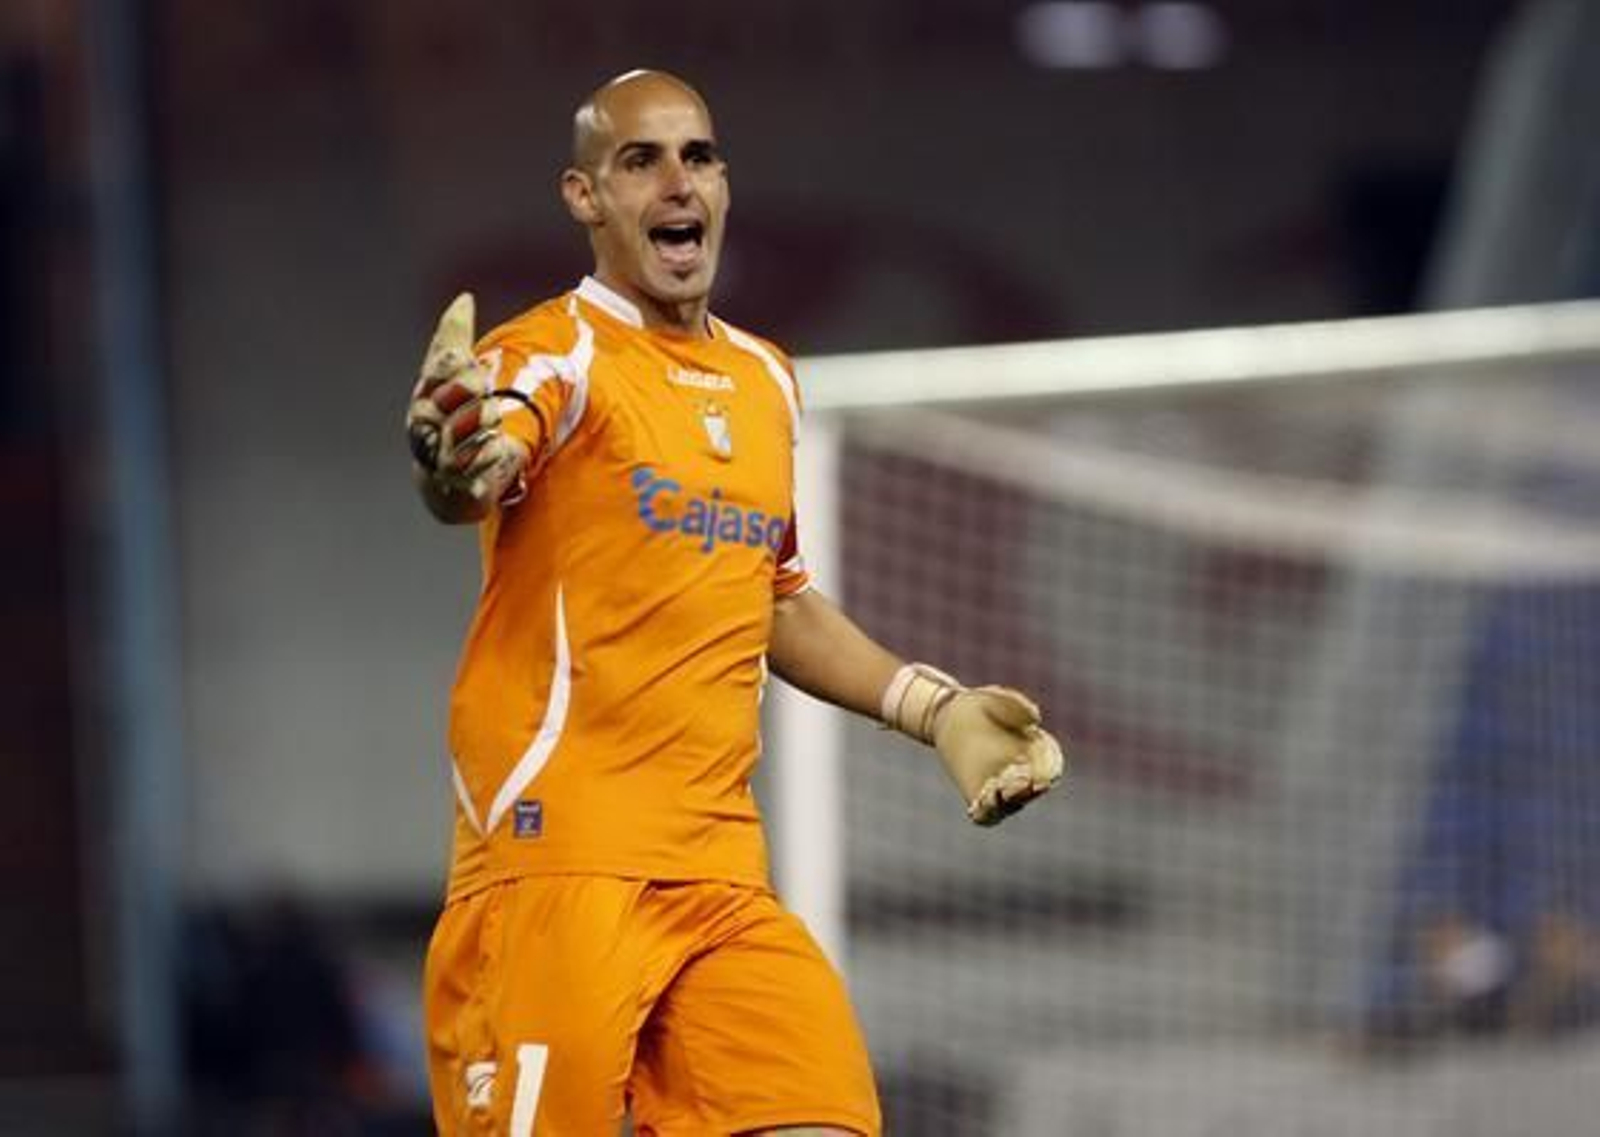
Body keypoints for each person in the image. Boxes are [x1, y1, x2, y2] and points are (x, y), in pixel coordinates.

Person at [403, 69, 1065, 1136]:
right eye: (641, 161)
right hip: (560, 866)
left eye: (698, 157)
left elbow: (778, 599)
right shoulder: (551, 354)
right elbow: (477, 467)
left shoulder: (766, 380)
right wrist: (452, 465)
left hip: (718, 877)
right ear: (584, 197)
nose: (678, 182)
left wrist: (934, 708)